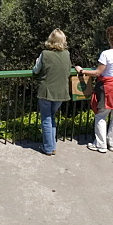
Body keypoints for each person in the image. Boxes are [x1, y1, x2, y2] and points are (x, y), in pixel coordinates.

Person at [76, 26, 113, 153]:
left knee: (101, 115)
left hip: (108, 89)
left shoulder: (106, 54)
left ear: (109, 40)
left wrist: (82, 71)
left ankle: (101, 145)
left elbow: (98, 72)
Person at [32, 28, 71, 156]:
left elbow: (36, 70)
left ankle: (48, 147)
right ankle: (52, 145)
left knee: (46, 119)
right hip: (61, 92)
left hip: (46, 91)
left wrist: (37, 62)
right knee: (51, 117)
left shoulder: (45, 54)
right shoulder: (66, 54)